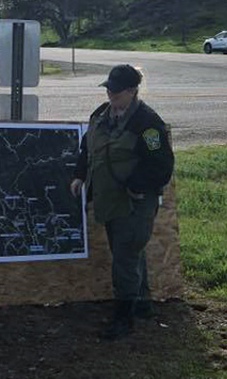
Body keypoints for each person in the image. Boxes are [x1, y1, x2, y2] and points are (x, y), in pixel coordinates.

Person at [70, 64, 174, 340]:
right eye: (108, 88)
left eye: (116, 90)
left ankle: (123, 317)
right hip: (108, 199)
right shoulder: (100, 115)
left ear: (132, 91)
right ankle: (142, 303)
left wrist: (135, 186)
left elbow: (161, 166)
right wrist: (80, 175)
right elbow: (87, 147)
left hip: (135, 202)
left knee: (125, 257)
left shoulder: (148, 124)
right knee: (126, 252)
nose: (111, 94)